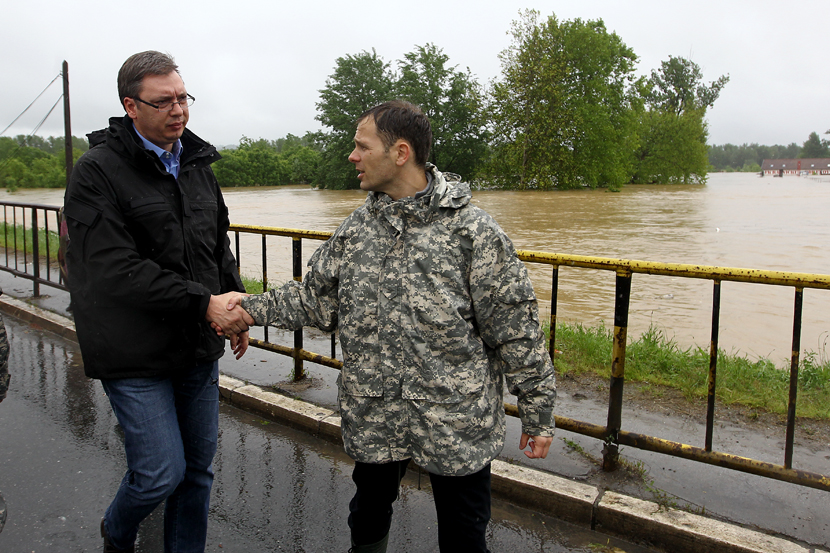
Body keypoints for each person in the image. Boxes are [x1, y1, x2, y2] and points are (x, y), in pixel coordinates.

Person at [220, 100, 557, 553]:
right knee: (368, 515)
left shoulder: (473, 233)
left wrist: (537, 414)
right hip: (377, 414)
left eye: (362, 146)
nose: (351, 156)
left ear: (400, 153)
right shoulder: (357, 230)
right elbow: (314, 302)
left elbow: (516, 329)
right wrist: (246, 307)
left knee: (463, 534)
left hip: (455, 422)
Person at [63, 51, 253, 553]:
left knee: (196, 473)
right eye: (163, 101)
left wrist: (233, 308)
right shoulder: (97, 172)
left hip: (194, 344)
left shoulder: (195, 165)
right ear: (131, 105)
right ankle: (117, 532)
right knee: (158, 474)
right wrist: (202, 303)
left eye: (183, 98)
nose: (179, 110)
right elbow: (112, 268)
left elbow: (216, 246)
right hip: (133, 350)